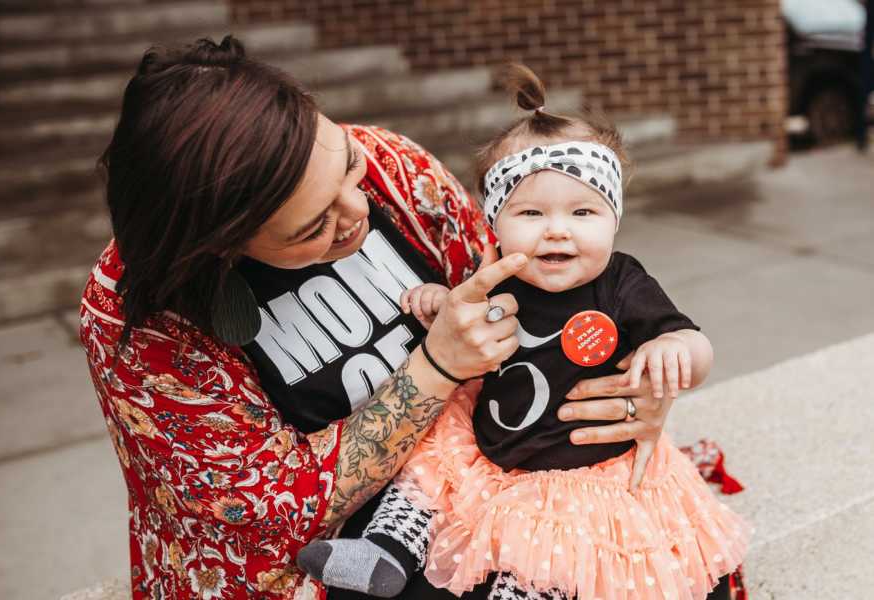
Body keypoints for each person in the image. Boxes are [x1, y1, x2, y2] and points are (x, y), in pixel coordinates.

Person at [79, 37, 707, 600]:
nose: (357, 210)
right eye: (313, 227)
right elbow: (266, 511)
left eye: (347, 166)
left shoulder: (391, 163)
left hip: (492, 469)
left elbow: (528, 286)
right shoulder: (140, 319)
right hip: (331, 543)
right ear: (218, 244)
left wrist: (630, 391)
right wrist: (436, 367)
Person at [298, 66, 751, 600]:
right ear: (495, 221)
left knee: (551, 556)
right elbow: (467, 312)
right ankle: (387, 549)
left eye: (583, 211)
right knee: (425, 469)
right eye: (531, 212)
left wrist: (676, 351)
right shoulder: (501, 271)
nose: (557, 228)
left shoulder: (621, 282)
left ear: (614, 220)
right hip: (487, 449)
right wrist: (440, 302)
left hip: (578, 473)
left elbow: (689, 341)